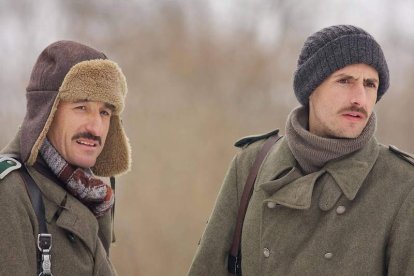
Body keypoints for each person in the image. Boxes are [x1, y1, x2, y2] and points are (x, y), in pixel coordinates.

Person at [188, 25, 414, 275]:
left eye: (370, 84)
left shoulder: (404, 184)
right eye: (344, 81)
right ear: (311, 89)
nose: (359, 98)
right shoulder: (252, 163)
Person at [0, 40, 131, 275]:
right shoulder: (10, 192)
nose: (96, 127)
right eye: (81, 107)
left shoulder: (91, 195)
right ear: (47, 113)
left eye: (105, 112)